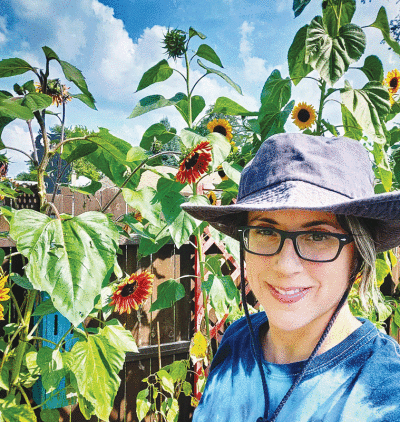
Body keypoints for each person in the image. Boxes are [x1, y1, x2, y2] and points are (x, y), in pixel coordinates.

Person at [182, 133, 400, 422]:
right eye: (266, 231)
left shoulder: (384, 392)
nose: (285, 266)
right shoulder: (238, 339)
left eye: (318, 235)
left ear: (358, 254)